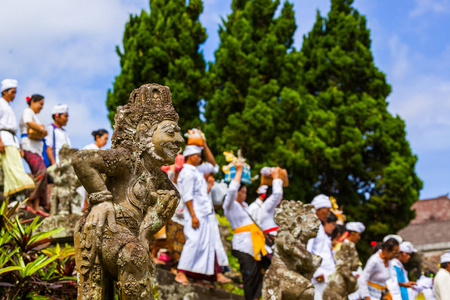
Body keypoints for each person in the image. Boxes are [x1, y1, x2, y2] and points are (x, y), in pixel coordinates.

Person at [175, 144, 229, 286]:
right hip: (195, 214)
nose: (200, 158)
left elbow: (212, 165)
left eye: (200, 156)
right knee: (193, 242)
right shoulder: (187, 172)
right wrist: (193, 215)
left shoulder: (197, 171)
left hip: (204, 214)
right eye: (198, 156)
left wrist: (204, 146)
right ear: (190, 156)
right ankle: (181, 273)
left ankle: (197, 276)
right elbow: (187, 196)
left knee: (204, 245)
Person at [223, 161, 270, 300]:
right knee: (249, 276)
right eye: (242, 192)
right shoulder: (229, 205)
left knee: (259, 275)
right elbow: (231, 191)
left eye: (245, 192)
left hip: (255, 246)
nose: (244, 195)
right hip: (243, 246)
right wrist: (238, 172)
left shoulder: (244, 207)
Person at [0, 79, 35, 198]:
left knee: (17, 167)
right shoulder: (1, 104)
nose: (14, 95)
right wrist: (0, 141)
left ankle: (16, 197)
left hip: (12, 140)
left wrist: (19, 146)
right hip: (4, 139)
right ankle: (13, 197)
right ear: (4, 91)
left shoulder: (8, 107)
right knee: (10, 169)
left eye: (15, 92)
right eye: (12, 92)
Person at [20, 94, 49, 216]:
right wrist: (42, 130)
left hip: (37, 148)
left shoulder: (35, 116)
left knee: (42, 174)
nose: (41, 107)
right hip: (29, 147)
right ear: (33, 102)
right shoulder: (28, 111)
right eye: (40, 104)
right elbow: (28, 122)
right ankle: (29, 201)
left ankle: (36, 206)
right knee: (41, 173)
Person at [307, 194, 335, 300]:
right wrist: (316, 273)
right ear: (318, 210)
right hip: (319, 277)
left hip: (326, 276)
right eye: (327, 211)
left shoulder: (318, 225)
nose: (328, 214)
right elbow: (307, 250)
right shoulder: (312, 225)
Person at [248, 169, 284, 237]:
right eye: (281, 197)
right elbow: (277, 194)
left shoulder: (272, 208)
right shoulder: (266, 206)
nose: (281, 198)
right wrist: (276, 178)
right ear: (270, 196)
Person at [345, 221, 366, 300]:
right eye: (358, 235)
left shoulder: (350, 246)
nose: (359, 238)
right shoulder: (345, 245)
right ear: (353, 233)